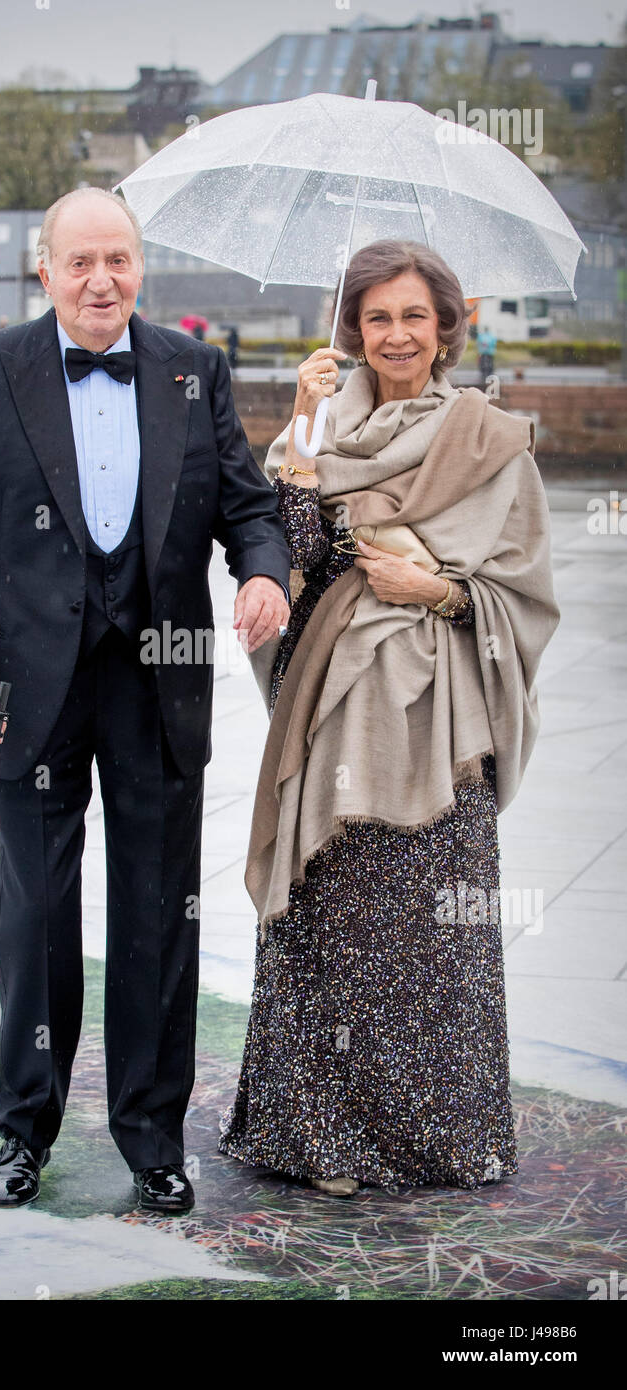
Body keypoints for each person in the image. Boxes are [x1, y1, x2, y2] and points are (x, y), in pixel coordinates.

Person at [0, 187, 290, 1214]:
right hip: (24, 696)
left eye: (116, 259)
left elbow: (250, 507)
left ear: (138, 267)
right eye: (78, 262)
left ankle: (150, 1136)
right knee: (33, 918)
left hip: (157, 685)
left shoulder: (192, 368)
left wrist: (264, 573)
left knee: (156, 917)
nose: (99, 280)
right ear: (44, 270)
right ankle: (23, 1126)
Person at [219, 239, 559, 1197]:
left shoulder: (489, 440)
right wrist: (295, 435)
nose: (398, 334)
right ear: (352, 330)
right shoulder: (321, 436)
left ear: (446, 327)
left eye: (415, 316)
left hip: (444, 729)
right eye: (378, 318)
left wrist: (441, 587)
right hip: (336, 718)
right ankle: (321, 1138)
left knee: (431, 942)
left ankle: (441, 1140)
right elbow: (283, 573)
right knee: (333, 925)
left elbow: (526, 596)